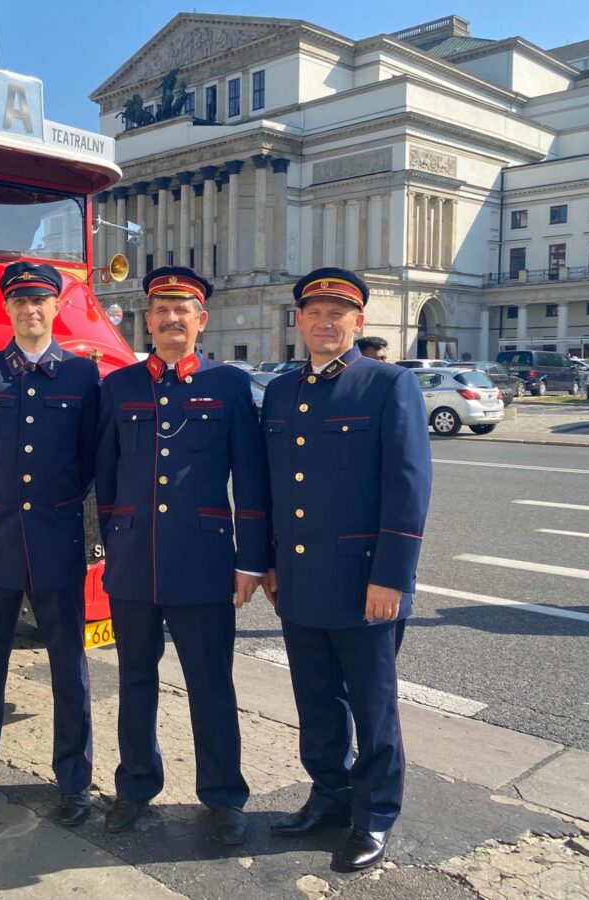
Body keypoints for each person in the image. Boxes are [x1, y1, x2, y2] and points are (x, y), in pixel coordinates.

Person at [254, 267, 431, 870]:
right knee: (316, 701)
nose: (325, 323)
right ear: (298, 320)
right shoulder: (280, 392)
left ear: (359, 321)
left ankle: (375, 815)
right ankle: (328, 797)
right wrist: (269, 563)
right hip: (299, 581)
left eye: (339, 313)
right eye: (314, 312)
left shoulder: (388, 384)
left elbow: (407, 488)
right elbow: (274, 487)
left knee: (372, 705)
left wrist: (393, 576)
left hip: (364, 585)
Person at [95, 265, 267, 845]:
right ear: (147, 320)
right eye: (161, 311)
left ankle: (223, 797)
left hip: (202, 562)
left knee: (210, 684)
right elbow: (106, 477)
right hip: (134, 561)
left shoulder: (230, 386)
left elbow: (251, 478)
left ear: (201, 321)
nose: (172, 320)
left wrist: (250, 560)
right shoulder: (118, 387)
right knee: (135, 680)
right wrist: (109, 546)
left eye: (182, 311)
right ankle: (136, 786)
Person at [0, 261, 100, 827]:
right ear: (6, 309)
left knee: (68, 668)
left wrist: (53, 507)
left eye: (41, 301)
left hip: (55, 542)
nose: (31, 310)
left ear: (56, 307)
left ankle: (75, 783)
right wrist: (0, 502)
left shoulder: (82, 377)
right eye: (20, 302)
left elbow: (88, 462)